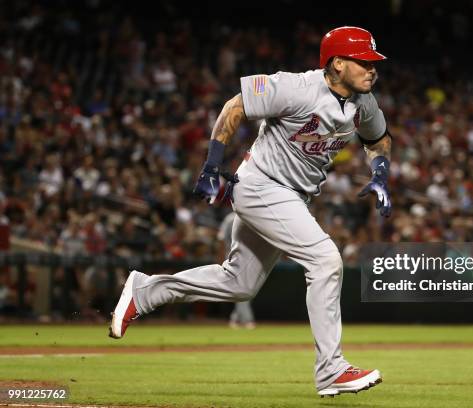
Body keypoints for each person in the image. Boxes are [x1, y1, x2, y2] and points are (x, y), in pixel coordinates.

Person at [109, 26, 392, 397]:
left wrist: (381, 172)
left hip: (291, 196)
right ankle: (331, 370)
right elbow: (235, 106)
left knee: (239, 284)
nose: (372, 69)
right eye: (364, 61)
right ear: (337, 63)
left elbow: (379, 139)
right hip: (262, 186)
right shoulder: (296, 87)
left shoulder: (364, 103)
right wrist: (211, 165)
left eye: (374, 62)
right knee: (325, 261)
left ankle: (145, 291)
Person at [218, 212, 256, 329]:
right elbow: (221, 239)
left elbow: (220, 239)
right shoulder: (232, 219)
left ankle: (235, 318)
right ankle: (247, 319)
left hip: (241, 257)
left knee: (241, 289)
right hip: (235, 257)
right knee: (243, 289)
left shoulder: (235, 217)